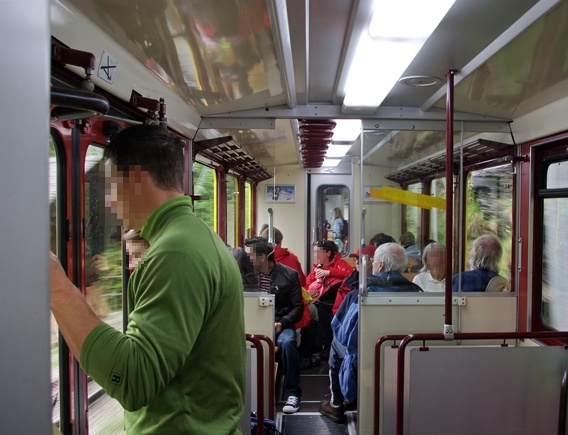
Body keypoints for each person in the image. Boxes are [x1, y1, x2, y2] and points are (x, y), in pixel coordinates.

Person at [49, 125, 246, 434]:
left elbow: (134, 380)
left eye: (112, 187)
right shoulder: (195, 237)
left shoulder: (176, 253)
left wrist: (58, 289)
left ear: (138, 180)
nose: (110, 202)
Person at [319, 243, 421, 424]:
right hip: (405, 353)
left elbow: (341, 332)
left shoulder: (360, 293)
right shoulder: (415, 292)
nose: (372, 264)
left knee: (336, 345)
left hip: (367, 354)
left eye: (373, 261)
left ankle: (336, 405)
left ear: (380, 265)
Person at [244, 237, 304, 414]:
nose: (247, 259)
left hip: (280, 322)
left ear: (262, 257)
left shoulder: (289, 275)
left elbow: (298, 307)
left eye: (250, 255)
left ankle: (293, 393)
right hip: (253, 322)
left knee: (288, 343)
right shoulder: (246, 276)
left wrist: (282, 322)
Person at [301, 240, 354, 362]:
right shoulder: (317, 268)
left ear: (328, 253)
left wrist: (329, 272)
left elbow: (349, 274)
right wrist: (309, 292)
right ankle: (311, 348)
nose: (316, 255)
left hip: (334, 299)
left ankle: (325, 345)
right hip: (319, 298)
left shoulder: (339, 264)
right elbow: (308, 282)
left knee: (320, 310)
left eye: (318, 252)